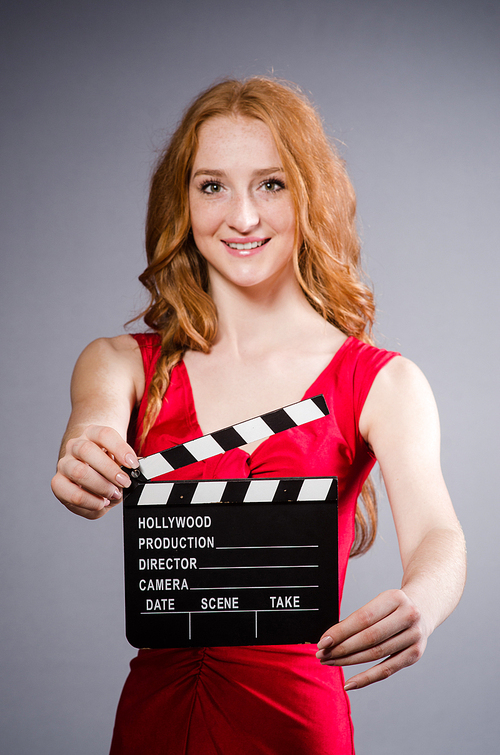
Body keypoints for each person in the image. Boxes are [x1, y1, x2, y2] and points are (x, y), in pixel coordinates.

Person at [51, 77, 466, 754]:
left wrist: (422, 599)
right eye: (212, 185)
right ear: (181, 202)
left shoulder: (383, 381)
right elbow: (94, 420)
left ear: (311, 194)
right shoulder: (120, 362)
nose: (241, 216)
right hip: (159, 713)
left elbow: (439, 536)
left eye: (271, 184)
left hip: (296, 717)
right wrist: (87, 449)